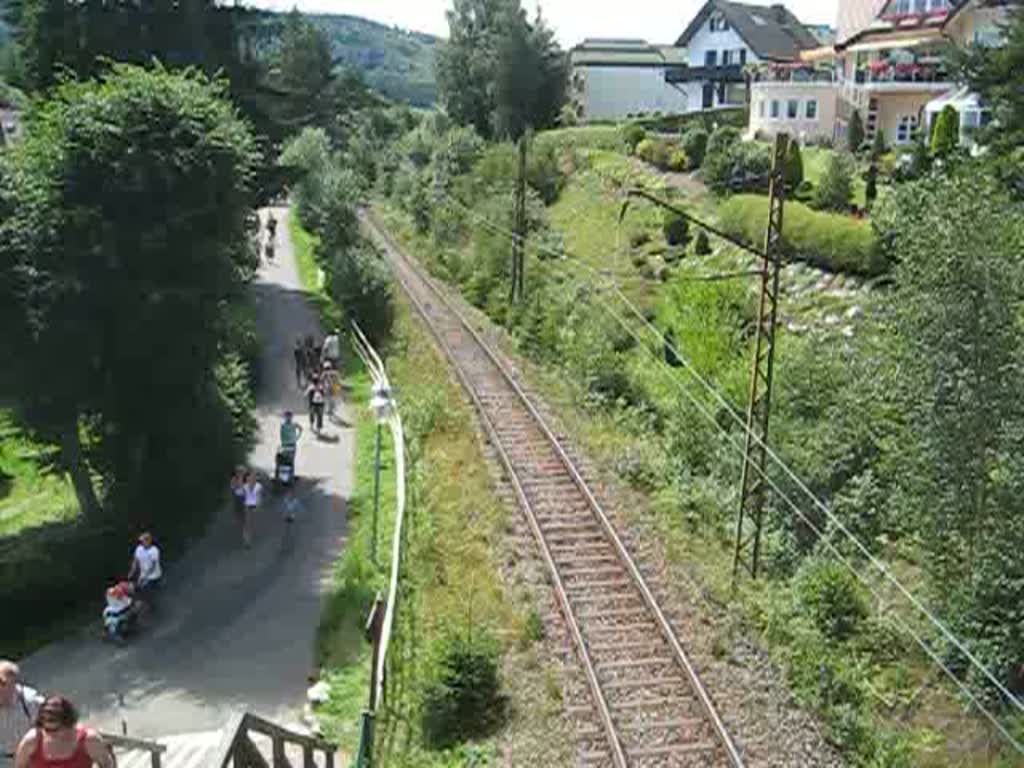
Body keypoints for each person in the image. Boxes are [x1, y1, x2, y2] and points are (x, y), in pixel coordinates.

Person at [14, 696, 113, 768]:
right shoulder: (32, 741)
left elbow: (107, 764)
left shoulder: (88, 740)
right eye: (47, 729)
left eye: (55, 730)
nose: (50, 734)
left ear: (68, 723)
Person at [1, 661, 44, 767]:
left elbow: (55, 728)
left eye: (3, 684)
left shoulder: (31, 701)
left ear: (13, 682)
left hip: (35, 759)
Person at [242, 471, 262, 548]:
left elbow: (259, 496)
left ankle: (248, 539)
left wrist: (258, 505)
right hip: (247, 505)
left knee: (251, 524)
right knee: (247, 524)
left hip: (254, 505)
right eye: (249, 477)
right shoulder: (245, 486)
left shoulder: (258, 486)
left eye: (253, 477)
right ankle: (247, 541)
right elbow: (242, 497)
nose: (251, 478)